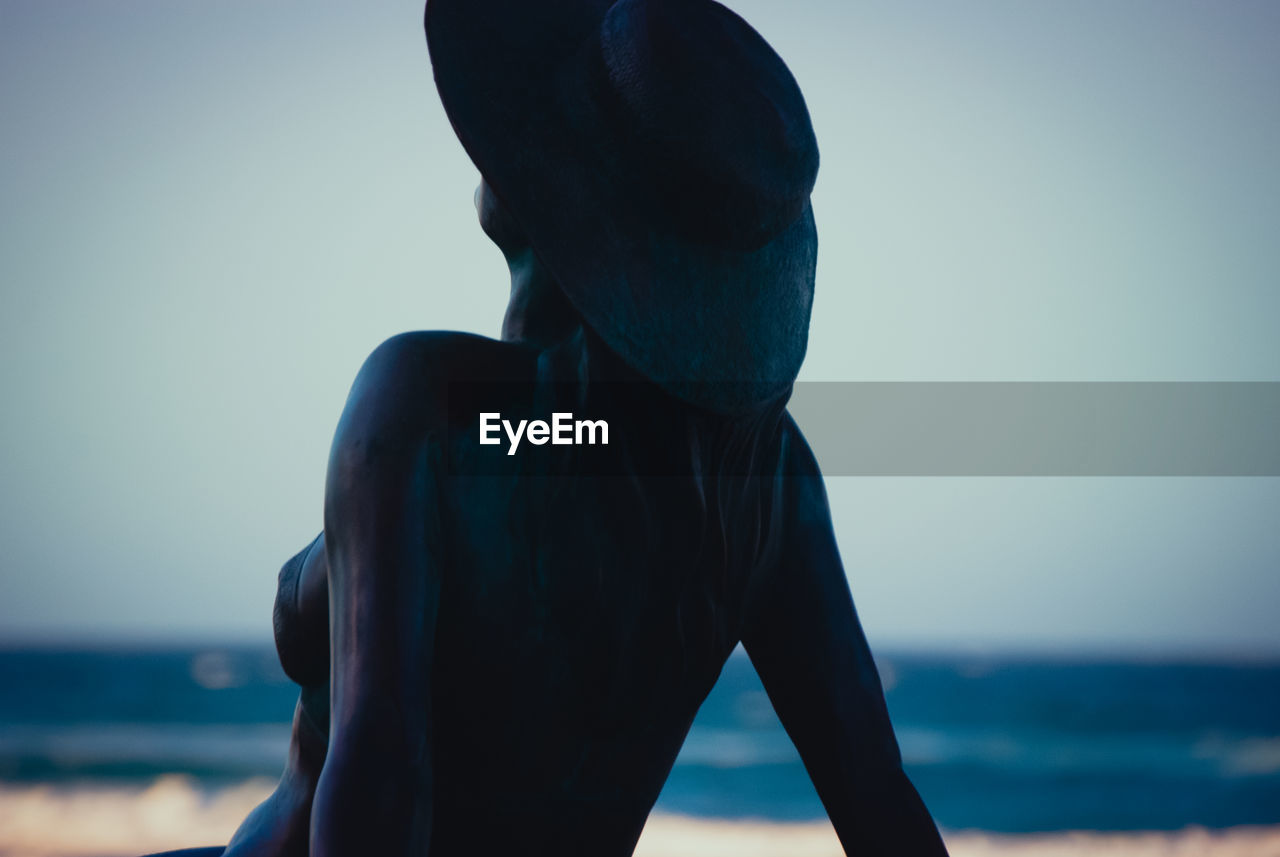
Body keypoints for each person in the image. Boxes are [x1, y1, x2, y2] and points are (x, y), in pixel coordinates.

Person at [147, 0, 948, 854]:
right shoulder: (763, 479)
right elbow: (874, 791)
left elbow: (382, 772)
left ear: (583, 201)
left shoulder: (425, 402)